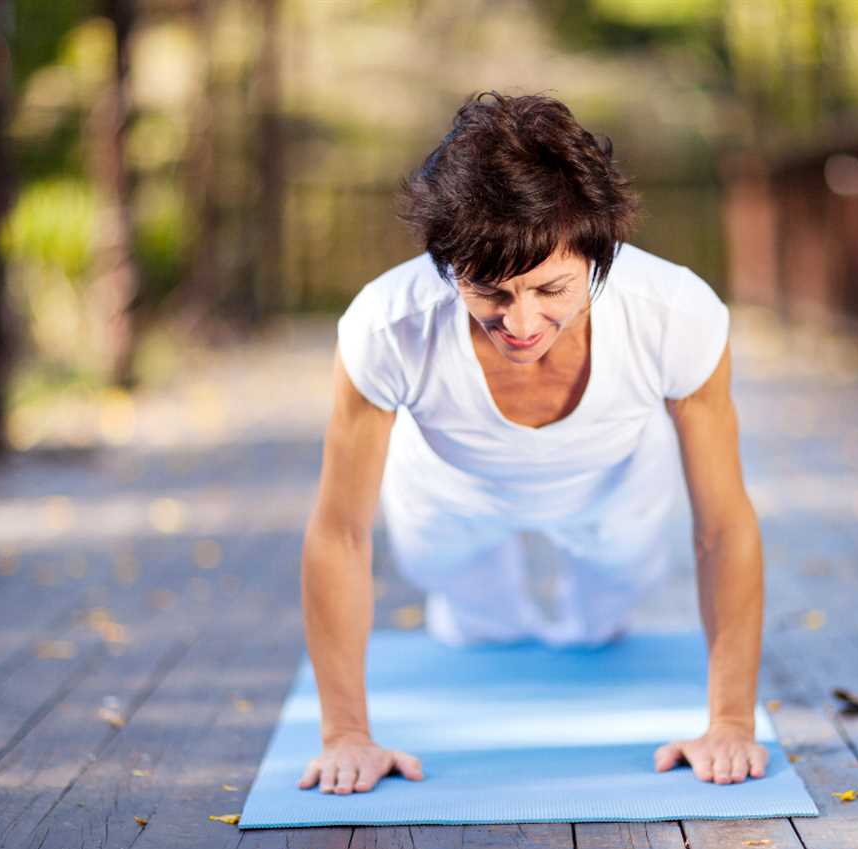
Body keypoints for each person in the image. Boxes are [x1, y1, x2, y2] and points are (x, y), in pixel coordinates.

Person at [297, 92, 766, 797]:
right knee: (479, 623)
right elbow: (339, 534)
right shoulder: (387, 325)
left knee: (596, 622)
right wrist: (346, 737)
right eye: (491, 290)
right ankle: (480, 608)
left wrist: (730, 722)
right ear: (445, 263)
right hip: (449, 488)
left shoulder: (676, 313)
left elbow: (723, 527)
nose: (522, 322)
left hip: (614, 485)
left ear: (600, 258)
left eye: (552, 288)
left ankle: (580, 612)